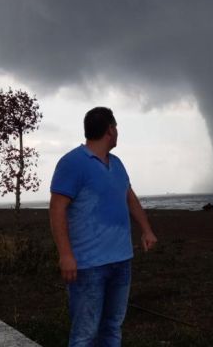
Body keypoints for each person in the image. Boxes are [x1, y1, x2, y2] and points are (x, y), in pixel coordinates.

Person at [49, 106, 158, 347]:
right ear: (110, 130)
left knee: (112, 328)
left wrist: (146, 230)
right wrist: (65, 255)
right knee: (85, 334)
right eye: (116, 127)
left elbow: (129, 196)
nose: (117, 132)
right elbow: (57, 209)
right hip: (88, 266)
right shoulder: (72, 163)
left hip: (121, 261)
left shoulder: (117, 164)